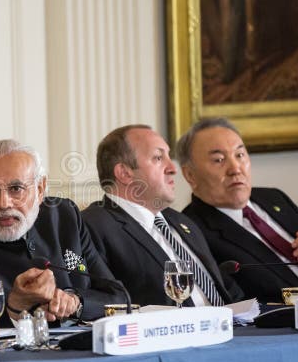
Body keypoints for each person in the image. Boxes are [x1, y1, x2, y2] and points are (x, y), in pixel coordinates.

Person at [0, 139, 128, 327]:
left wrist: (75, 301)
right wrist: (14, 310)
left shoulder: (64, 216)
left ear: (40, 189)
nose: (3, 203)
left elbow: (119, 298)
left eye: (16, 188)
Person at [176, 118, 298, 303]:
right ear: (190, 175)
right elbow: (234, 302)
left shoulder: (273, 199)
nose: (235, 169)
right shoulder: (191, 231)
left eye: (239, 155)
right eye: (219, 160)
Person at [83, 125, 244, 308]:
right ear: (125, 173)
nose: (172, 168)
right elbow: (105, 300)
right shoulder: (94, 226)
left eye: (168, 156)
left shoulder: (181, 221)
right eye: (158, 158)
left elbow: (224, 289)